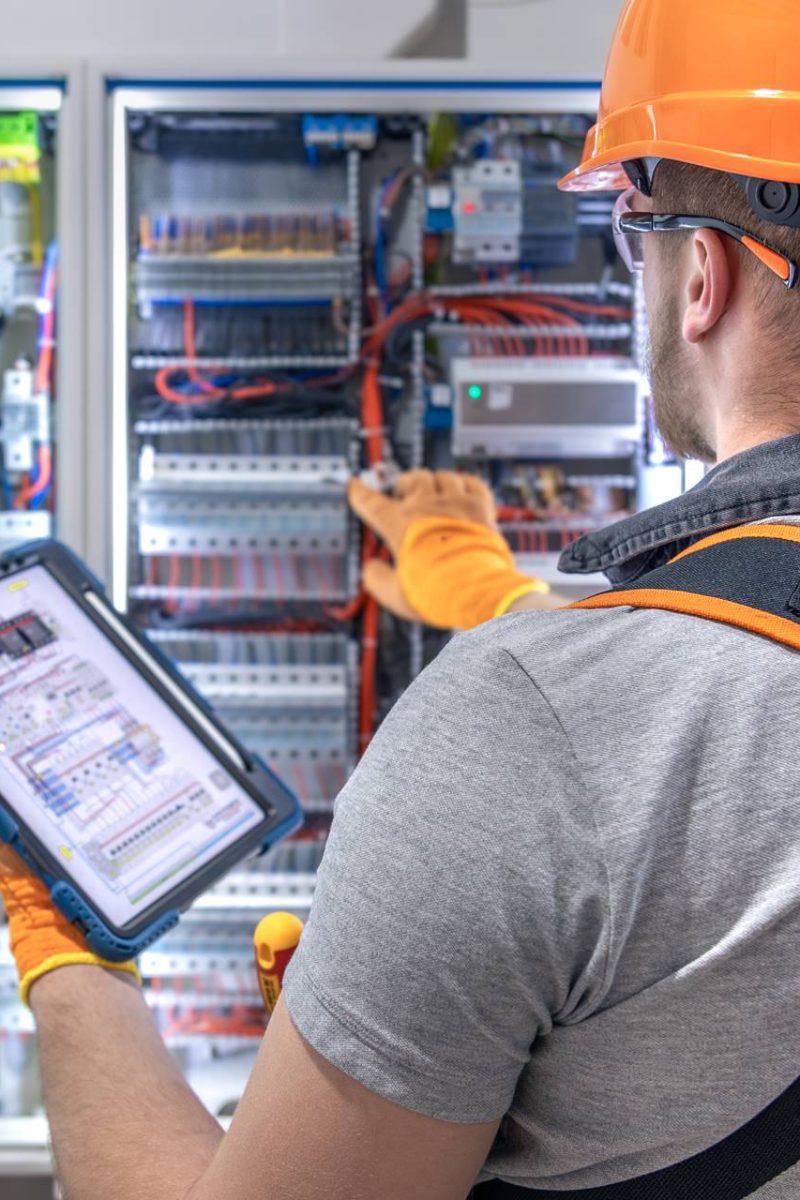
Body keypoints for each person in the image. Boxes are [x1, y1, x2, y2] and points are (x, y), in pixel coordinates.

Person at [4, 0, 800, 1195]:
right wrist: (503, 597)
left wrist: (73, 962)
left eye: (632, 229)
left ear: (703, 272)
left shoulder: (523, 731)